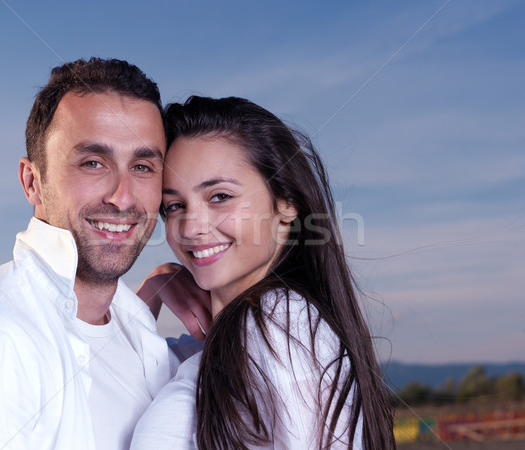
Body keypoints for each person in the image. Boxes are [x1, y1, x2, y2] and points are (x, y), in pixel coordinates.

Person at [0, 58, 210, 449]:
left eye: (143, 166)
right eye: (93, 163)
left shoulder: (139, 331)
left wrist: (157, 292)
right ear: (32, 182)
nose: (122, 196)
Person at [131, 96, 396, 449]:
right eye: (175, 206)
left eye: (220, 196)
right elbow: (109, 374)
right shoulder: (212, 348)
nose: (191, 227)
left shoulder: (278, 322)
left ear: (286, 203)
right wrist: (155, 285)